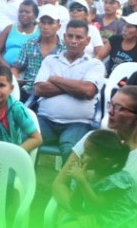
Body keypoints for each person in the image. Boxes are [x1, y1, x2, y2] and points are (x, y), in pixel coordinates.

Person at [66, 86, 137, 227]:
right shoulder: (93, 141)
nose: (110, 112)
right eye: (111, 105)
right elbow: (60, 185)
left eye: (119, 108)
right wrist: (80, 214)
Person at [34, 20, 106, 161]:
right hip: (45, 120)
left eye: (79, 37)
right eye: (70, 36)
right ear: (64, 37)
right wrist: (75, 87)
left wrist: (55, 79)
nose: (74, 41)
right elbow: (39, 89)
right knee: (22, 139)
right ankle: (13, 182)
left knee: (71, 149)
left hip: (78, 123)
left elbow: (88, 90)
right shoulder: (50, 60)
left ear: (88, 40)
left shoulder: (95, 65)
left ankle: (66, 184)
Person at [52, 129, 137, 228]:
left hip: (113, 222)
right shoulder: (86, 174)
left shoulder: (117, 180)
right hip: (91, 218)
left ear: (105, 162)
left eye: (87, 153)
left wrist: (82, 181)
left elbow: (98, 206)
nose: (82, 155)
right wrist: (80, 182)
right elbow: (74, 205)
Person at [12, 4, 66, 102]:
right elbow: (16, 67)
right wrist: (16, 78)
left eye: (50, 23)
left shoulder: (65, 48)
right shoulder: (29, 43)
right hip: (28, 90)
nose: (46, 27)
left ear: (59, 26)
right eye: (43, 22)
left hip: (53, 92)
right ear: (38, 24)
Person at [0, 0, 40, 67]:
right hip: (5, 67)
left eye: (27, 12)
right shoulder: (9, 28)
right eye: (21, 11)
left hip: (29, 69)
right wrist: (7, 67)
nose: (23, 14)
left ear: (35, 16)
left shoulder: (40, 31)